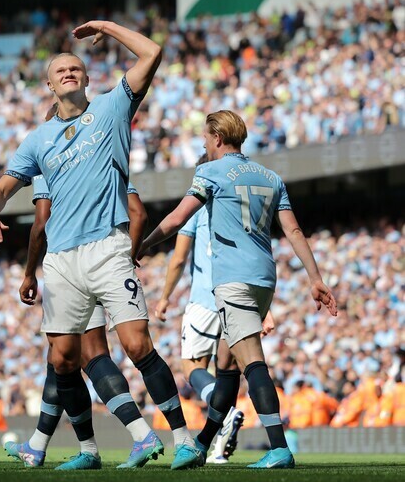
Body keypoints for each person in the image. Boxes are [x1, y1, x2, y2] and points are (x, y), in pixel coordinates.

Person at [0, 21, 201, 470]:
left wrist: (106, 27)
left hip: (107, 246)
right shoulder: (37, 140)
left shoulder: (111, 106)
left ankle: (184, 439)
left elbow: (152, 53)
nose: (68, 72)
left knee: (137, 345)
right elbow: (2, 189)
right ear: (49, 83)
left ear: (85, 78)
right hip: (61, 261)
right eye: (60, 69)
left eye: (75, 67)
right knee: (64, 358)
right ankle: (100, 448)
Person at [140, 110, 337, 469]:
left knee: (252, 361)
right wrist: (315, 278)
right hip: (264, 278)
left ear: (217, 138)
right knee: (227, 364)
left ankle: (279, 447)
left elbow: (176, 219)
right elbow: (293, 231)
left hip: (233, 282)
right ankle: (201, 445)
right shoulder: (271, 176)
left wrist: (142, 246)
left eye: (204, 136)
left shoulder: (210, 171)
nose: (202, 142)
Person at [6, 171, 162, 469]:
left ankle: (120, 440)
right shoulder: (99, 152)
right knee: (61, 357)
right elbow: (137, 212)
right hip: (105, 257)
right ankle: (38, 444)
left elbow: (41, 221)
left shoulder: (48, 158)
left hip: (69, 263)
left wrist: (29, 272)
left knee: (82, 354)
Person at [155, 154, 276, 464]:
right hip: (242, 293)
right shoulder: (237, 204)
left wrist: (165, 297)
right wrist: (265, 309)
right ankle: (216, 447)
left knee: (192, 367)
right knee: (228, 370)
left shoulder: (198, 206)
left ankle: (225, 418)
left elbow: (179, 258)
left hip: (205, 299)